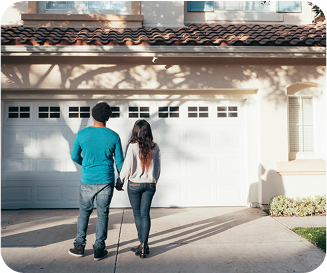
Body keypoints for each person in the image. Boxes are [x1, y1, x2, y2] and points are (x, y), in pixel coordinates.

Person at [69, 102, 124, 261]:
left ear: (93, 115)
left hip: (87, 179)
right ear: (108, 117)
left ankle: (79, 246)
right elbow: (120, 163)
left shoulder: (82, 134)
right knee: (103, 213)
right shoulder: (113, 136)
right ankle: (99, 248)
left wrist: (86, 164)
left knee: (84, 212)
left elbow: (74, 156)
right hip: (106, 180)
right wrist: (121, 180)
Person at [116, 119, 161, 258]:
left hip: (134, 184)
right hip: (150, 184)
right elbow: (158, 168)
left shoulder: (132, 146)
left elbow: (127, 166)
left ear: (135, 131)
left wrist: (120, 180)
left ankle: (142, 244)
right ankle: (144, 244)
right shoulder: (155, 146)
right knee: (145, 214)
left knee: (137, 214)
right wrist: (154, 180)